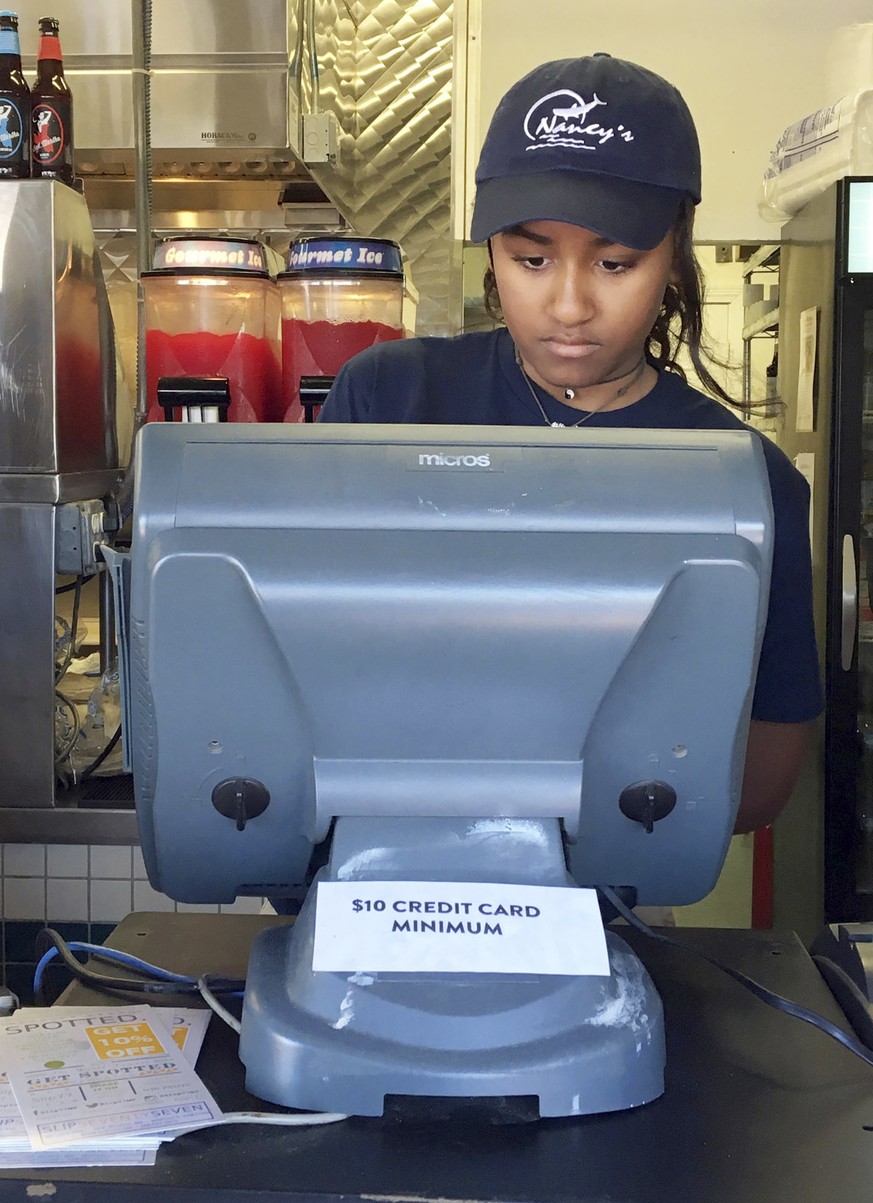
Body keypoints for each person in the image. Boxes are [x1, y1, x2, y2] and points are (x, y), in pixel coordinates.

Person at [319, 52, 823, 835]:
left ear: (674, 252)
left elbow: (756, 788)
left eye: (615, 263)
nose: (568, 304)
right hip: (377, 863)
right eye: (530, 259)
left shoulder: (745, 483)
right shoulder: (387, 399)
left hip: (614, 897)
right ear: (489, 248)